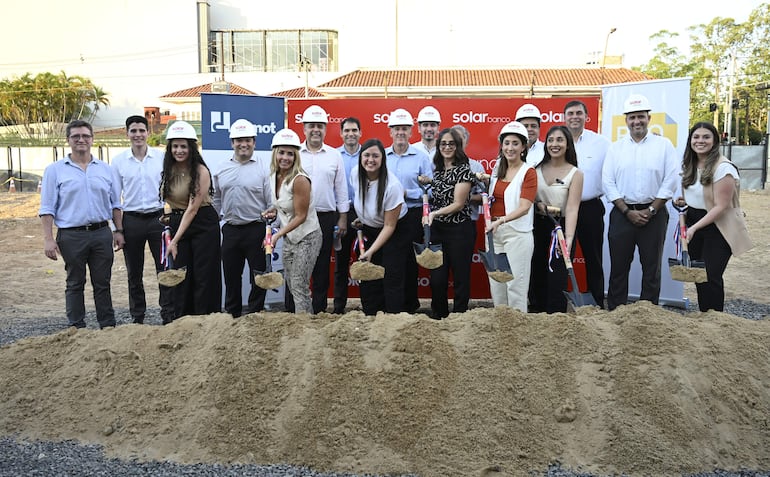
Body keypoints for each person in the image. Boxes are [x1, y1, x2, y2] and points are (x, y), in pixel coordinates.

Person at [39, 119, 122, 329]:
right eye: (75, 136)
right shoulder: (55, 170)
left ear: (92, 139)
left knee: (102, 282)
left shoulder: (106, 169)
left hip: (101, 233)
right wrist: (48, 239)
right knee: (75, 282)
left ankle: (108, 325)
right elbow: (47, 208)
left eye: (85, 136)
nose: (81, 140)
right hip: (71, 235)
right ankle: (76, 328)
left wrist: (118, 231)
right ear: (68, 140)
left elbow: (115, 204)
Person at [601, 94, 679, 310]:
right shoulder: (615, 148)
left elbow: (671, 180)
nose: (637, 121)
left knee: (651, 269)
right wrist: (627, 212)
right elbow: (608, 182)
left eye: (641, 117)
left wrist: (651, 210)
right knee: (618, 268)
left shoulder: (664, 146)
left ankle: (648, 313)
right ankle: (616, 312)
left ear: (649, 118)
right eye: (632, 117)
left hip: (654, 215)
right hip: (622, 214)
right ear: (626, 120)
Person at [678, 121, 752, 311]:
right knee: (698, 275)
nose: (700, 141)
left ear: (715, 141)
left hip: (719, 226)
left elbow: (720, 206)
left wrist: (693, 228)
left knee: (711, 275)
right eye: (696, 137)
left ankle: (716, 318)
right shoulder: (689, 165)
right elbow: (698, 196)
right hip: (694, 221)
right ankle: (705, 316)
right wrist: (683, 201)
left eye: (706, 137)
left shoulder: (724, 168)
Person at [111, 115, 174, 324]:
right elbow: (115, 199)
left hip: (158, 219)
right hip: (131, 221)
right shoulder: (119, 161)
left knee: (164, 269)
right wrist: (117, 230)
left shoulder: (161, 158)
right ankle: (137, 317)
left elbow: (171, 189)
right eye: (133, 131)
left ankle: (168, 314)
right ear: (127, 133)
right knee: (134, 272)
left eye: (141, 130)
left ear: (148, 132)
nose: (138, 135)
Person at [160, 120, 222, 318]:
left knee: (204, 275)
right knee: (181, 274)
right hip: (179, 222)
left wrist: (174, 241)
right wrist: (169, 223)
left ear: (191, 148)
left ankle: (205, 319)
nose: (179, 151)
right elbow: (170, 201)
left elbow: (193, 209)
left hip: (202, 223)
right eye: (175, 146)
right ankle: (183, 319)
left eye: (183, 146)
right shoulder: (168, 169)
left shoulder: (201, 171)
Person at [212, 119, 272, 318]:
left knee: (259, 277)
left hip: (256, 229)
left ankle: (255, 313)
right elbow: (217, 198)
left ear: (254, 142)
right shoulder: (221, 168)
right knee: (231, 276)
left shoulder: (264, 169)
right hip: (231, 229)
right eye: (238, 140)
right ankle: (233, 315)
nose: (243, 144)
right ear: (232, 143)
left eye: (247, 140)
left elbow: (271, 202)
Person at [294, 104, 349, 314]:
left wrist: (342, 218)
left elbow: (341, 189)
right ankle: (295, 310)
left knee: (322, 266)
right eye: (311, 126)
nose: (315, 130)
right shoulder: (295, 154)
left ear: (325, 129)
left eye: (320, 126)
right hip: (299, 218)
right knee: (297, 265)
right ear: (304, 129)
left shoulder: (334, 155)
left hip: (325, 218)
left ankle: (318, 310)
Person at [265, 128, 322, 315]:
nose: (285, 157)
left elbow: (301, 215)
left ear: (296, 156)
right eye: (281, 152)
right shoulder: (274, 176)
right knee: (292, 283)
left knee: (299, 284)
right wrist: (273, 210)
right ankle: (303, 321)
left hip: (307, 237)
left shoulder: (300, 180)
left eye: (290, 154)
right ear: (275, 153)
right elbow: (285, 204)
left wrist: (277, 235)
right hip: (290, 237)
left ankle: (305, 325)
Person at [350, 138, 408, 315]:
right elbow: (363, 199)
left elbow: (389, 225)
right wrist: (362, 217)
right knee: (368, 275)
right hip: (369, 229)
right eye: (366, 155)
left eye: (375, 156)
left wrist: (371, 251)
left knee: (391, 275)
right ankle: (371, 315)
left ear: (383, 159)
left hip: (394, 231)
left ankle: (392, 317)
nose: (370, 160)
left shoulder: (393, 186)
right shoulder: (355, 173)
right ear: (361, 157)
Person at [529, 126, 584, 313]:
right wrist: (538, 205)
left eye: (560, 140)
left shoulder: (576, 173)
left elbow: (572, 208)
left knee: (558, 273)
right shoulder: (535, 169)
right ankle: (536, 312)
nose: (554, 144)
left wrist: (568, 239)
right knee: (536, 269)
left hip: (561, 226)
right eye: (551, 140)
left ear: (568, 144)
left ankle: (556, 316)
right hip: (538, 224)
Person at [385, 108, 433, 313]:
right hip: (387, 216)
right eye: (396, 128)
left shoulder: (421, 158)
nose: (400, 132)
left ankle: (410, 307)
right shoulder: (382, 156)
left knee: (410, 264)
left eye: (404, 128)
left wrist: (407, 193)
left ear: (411, 132)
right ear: (390, 131)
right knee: (389, 262)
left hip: (412, 216)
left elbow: (431, 190)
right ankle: (391, 308)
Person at [486, 121, 537, 312]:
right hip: (494, 233)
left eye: (515, 143)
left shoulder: (528, 172)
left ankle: (518, 325)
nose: (510, 148)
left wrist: (501, 220)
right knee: (497, 284)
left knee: (516, 286)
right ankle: (501, 323)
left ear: (523, 147)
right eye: (506, 143)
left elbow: (524, 207)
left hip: (517, 234)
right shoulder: (498, 168)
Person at [564, 100, 610, 308]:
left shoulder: (602, 143)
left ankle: (597, 303)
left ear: (586, 116)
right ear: (564, 118)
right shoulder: (557, 141)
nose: (574, 117)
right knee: (563, 258)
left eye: (578, 113)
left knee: (594, 258)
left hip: (590, 208)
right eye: (570, 113)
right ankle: (560, 305)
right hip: (563, 210)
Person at [425, 128, 476, 319]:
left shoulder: (464, 170)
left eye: (451, 144)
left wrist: (434, 213)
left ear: (458, 146)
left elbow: (458, 203)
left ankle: (460, 318)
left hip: (459, 231)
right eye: (443, 144)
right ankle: (439, 316)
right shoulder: (438, 171)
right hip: (438, 230)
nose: (447, 147)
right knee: (437, 278)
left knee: (461, 277)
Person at [333, 117, 362, 314]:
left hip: (364, 214)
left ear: (360, 133)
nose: (351, 134)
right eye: (347, 130)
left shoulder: (368, 154)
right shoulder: (334, 156)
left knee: (366, 260)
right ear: (341, 133)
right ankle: (338, 307)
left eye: (354, 130)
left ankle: (370, 305)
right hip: (341, 214)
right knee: (340, 263)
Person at [452, 124, 486, 226]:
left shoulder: (476, 167)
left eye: (460, 138)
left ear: (466, 142)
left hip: (467, 221)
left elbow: (484, 197)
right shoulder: (438, 165)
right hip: (442, 222)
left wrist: (467, 197)